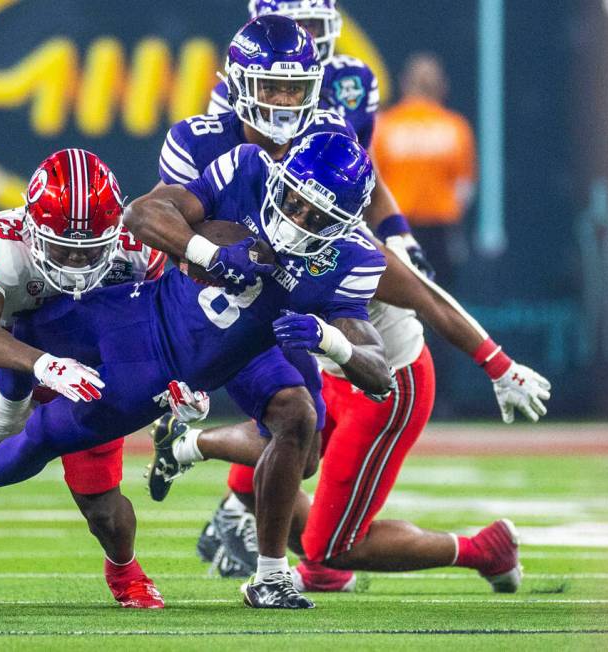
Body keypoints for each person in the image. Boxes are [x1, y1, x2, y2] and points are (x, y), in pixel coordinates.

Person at [0, 132, 396, 610]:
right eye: (294, 201)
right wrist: (212, 257)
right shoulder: (2, 240)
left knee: (103, 498)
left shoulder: (345, 262)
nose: (300, 218)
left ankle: (145, 564)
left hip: (152, 356)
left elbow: (371, 369)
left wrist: (326, 340)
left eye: (318, 216)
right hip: (11, 356)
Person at [149, 235, 550, 593]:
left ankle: (484, 551)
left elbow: (431, 300)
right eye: (291, 201)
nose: (297, 216)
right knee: (258, 481)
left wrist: (498, 365)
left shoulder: (357, 249)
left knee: (332, 546)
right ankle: (322, 569)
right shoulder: (269, 216)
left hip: (386, 386)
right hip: (328, 376)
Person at [184, 6, 431, 575]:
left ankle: (234, 506)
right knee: (295, 420)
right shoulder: (231, 148)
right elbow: (164, 214)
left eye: (316, 28)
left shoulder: (343, 101)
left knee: (302, 428)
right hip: (242, 277)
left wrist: (395, 236)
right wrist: (204, 256)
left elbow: (361, 182)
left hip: (320, 277)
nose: (309, 41)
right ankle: (232, 501)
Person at [0, 149, 167, 608]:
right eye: (61, 246)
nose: (74, 261)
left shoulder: (140, 249)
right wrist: (43, 364)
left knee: (103, 507)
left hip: (88, 370)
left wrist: (175, 382)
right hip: (0, 365)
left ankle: (124, 566)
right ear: (30, 228)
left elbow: (156, 329)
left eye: (87, 248)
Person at [372, 53, 477, 287]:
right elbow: (464, 188)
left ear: (405, 84)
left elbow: (374, 184)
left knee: (398, 302)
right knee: (440, 301)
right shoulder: (454, 127)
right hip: (439, 228)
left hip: (396, 226)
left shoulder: (386, 126)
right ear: (441, 86)